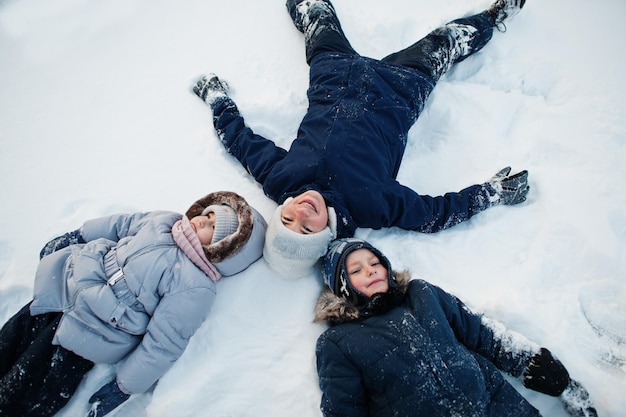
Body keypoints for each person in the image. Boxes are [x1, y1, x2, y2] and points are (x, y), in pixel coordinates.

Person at [192, 0, 531, 278]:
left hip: (334, 72)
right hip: (399, 89)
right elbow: (435, 214)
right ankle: (491, 19)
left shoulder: (280, 180)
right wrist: (493, 193)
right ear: (326, 235)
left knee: (318, 16)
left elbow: (241, 142)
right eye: (307, 229)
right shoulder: (372, 207)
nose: (302, 213)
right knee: (446, 41)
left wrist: (217, 99)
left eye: (287, 219)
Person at [0, 191, 267, 417]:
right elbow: (121, 225)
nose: (202, 221)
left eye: (214, 227)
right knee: (10, 339)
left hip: (93, 330)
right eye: (208, 214)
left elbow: (163, 343)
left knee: (27, 385)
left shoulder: (195, 284)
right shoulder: (165, 221)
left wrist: (123, 387)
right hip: (67, 283)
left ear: (225, 248)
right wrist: (78, 236)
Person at [314, 237, 598, 417]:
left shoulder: (421, 294)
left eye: (374, 262)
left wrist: (534, 363)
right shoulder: (338, 342)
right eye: (356, 270)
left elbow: (483, 334)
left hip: (495, 405)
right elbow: (344, 409)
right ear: (342, 287)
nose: (370, 269)